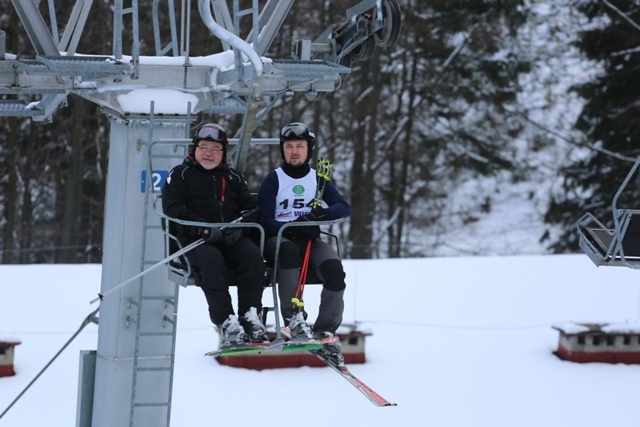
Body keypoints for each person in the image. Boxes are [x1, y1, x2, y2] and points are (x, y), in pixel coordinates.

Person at [162, 123, 268, 346]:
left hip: (230, 237)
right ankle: (225, 320)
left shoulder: (233, 178)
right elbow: (173, 207)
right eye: (204, 147)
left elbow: (248, 208)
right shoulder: (181, 174)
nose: (209, 153)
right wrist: (203, 227)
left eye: (215, 149)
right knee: (212, 260)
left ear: (223, 153)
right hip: (196, 240)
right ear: (195, 149)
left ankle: (250, 315)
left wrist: (238, 230)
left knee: (252, 256)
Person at [257, 122, 351, 366]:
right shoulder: (274, 179)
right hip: (279, 239)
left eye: (299, 146)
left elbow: (343, 206)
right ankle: (293, 318)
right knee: (288, 253)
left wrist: (320, 216)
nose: (294, 152)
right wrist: (292, 227)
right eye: (289, 147)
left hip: (311, 239)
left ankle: (325, 331)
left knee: (334, 270)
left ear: (309, 150)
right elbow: (265, 219)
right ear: (283, 150)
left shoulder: (317, 180)